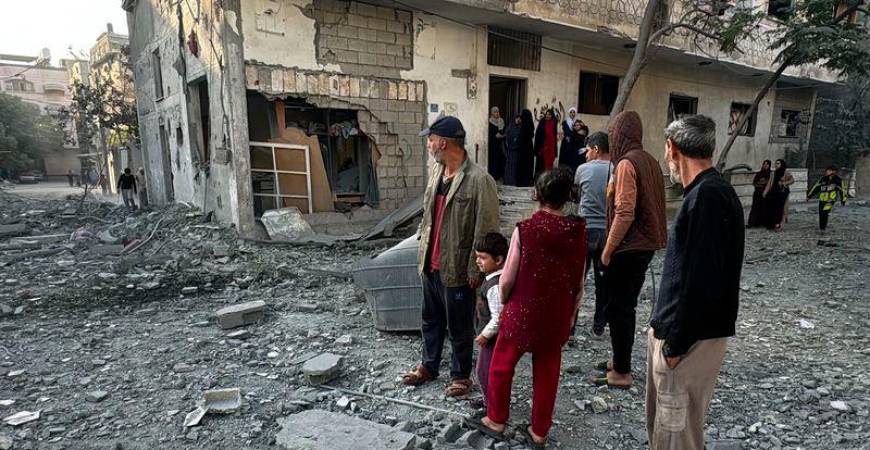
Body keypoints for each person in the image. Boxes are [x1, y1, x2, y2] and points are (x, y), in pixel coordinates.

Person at [469, 168, 586, 447]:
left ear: (536, 194)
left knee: (501, 365)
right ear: (569, 195)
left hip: (523, 310)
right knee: (547, 371)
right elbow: (579, 279)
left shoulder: (526, 229)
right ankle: (539, 432)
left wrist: (506, 300)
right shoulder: (578, 231)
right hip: (557, 312)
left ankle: (496, 419)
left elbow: (507, 277)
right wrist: (571, 313)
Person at [647, 114, 745, 450]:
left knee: (676, 437)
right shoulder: (707, 192)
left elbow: (703, 279)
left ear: (672, 149)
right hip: (684, 336)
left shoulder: (708, 196)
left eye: (665, 149)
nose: (664, 157)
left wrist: (675, 345)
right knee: (668, 429)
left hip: (687, 343)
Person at [403, 116, 500, 398]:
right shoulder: (437, 171)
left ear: (443, 142)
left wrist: (477, 269)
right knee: (430, 319)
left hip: (457, 268)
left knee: (459, 326)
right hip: (430, 265)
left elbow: (487, 228)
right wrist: (422, 243)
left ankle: (461, 375)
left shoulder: (479, 180)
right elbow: (427, 215)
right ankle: (428, 366)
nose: (429, 145)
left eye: (431, 139)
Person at [593, 111, 667, 389]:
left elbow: (624, 212)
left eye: (614, 134)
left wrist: (607, 250)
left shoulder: (626, 164)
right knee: (625, 305)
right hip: (644, 244)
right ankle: (618, 359)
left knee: (619, 308)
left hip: (629, 246)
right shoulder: (649, 160)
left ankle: (622, 371)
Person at [574, 131, 610, 338]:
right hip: (606, 233)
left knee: (577, 281)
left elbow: (576, 194)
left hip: (584, 230)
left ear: (596, 149)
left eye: (587, 150)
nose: (585, 154)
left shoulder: (582, 170)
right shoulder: (617, 170)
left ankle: (570, 327)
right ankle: (599, 327)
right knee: (602, 283)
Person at [473, 232, 508, 404]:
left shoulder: (494, 285)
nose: (478, 261)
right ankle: (489, 399)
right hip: (491, 338)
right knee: (484, 370)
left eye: (482, 257)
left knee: (485, 371)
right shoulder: (492, 279)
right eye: (477, 257)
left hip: (493, 339)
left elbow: (499, 316)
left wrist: (485, 334)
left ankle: (491, 405)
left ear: (499, 260)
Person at [807, 166, 846, 231]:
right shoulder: (823, 179)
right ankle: (821, 227)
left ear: (834, 171)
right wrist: (809, 196)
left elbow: (843, 191)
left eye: (829, 170)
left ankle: (823, 228)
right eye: (827, 170)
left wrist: (843, 200)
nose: (827, 172)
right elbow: (816, 188)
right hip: (822, 199)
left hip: (830, 200)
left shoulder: (838, 180)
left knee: (825, 213)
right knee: (821, 213)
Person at [763, 159, 794, 230]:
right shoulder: (773, 173)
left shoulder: (786, 172)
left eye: (778, 163)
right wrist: (765, 192)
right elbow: (769, 184)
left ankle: (779, 224)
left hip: (782, 193)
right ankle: (774, 223)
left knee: (780, 208)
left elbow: (792, 180)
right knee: (773, 208)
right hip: (773, 192)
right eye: (776, 163)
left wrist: (783, 183)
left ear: (781, 164)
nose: (776, 165)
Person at [746, 160, 771, 228]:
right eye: (764, 164)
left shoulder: (771, 174)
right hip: (757, 193)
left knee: (765, 208)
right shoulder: (759, 174)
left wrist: (763, 183)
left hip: (766, 193)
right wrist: (762, 183)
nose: (765, 166)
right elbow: (754, 183)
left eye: (767, 164)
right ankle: (752, 223)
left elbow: (769, 183)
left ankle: (764, 222)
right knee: (755, 208)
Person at [516, 110, 537, 187]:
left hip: (523, 150)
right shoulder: (530, 125)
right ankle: (527, 181)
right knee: (527, 166)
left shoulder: (525, 126)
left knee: (523, 166)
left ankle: (522, 182)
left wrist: (517, 140)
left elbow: (522, 138)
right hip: (529, 148)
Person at [534, 109, 559, 174]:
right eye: (546, 114)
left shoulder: (554, 123)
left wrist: (555, 150)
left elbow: (554, 136)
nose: (547, 116)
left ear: (552, 116)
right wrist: (538, 148)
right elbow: (538, 135)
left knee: (549, 165)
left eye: (549, 115)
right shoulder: (542, 122)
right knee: (540, 164)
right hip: (543, 147)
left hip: (551, 148)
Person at [488, 107, 506, 182]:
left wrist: (503, 136)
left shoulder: (501, 121)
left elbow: (504, 131)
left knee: (500, 160)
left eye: (498, 111)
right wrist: (503, 135)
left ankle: (499, 176)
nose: (497, 113)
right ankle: (493, 176)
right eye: (495, 112)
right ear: (492, 113)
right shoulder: (490, 122)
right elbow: (495, 135)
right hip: (493, 145)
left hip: (501, 145)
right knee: (493, 160)